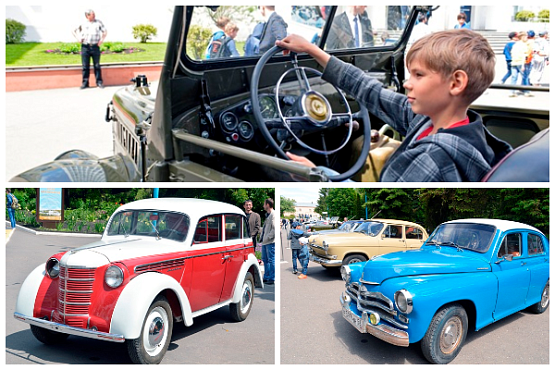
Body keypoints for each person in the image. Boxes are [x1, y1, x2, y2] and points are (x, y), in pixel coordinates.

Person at [276, 29, 512, 182]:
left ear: (456, 82)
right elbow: (371, 91)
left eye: (418, 75)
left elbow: (370, 202)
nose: (407, 84)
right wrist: (312, 50)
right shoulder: (436, 121)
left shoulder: (430, 157)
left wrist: (316, 174)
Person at [72, 9, 107, 89]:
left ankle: (99, 82)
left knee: (97, 65)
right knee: (85, 66)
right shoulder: (82, 23)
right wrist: (78, 38)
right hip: (85, 47)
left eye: (94, 14)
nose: (94, 16)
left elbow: (105, 31)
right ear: (87, 16)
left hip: (95, 46)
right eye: (92, 15)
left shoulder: (98, 22)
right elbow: (73, 30)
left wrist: (101, 40)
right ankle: (85, 83)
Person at [260, 198, 275, 285]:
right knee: (265, 260)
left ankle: (272, 278)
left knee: (271, 260)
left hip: (270, 242)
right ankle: (266, 276)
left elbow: (274, 229)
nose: (263, 205)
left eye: (264, 204)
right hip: (265, 242)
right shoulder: (268, 215)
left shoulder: (274, 214)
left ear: (268, 205)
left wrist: (268, 237)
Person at [509, 31, 530, 97]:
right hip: (521, 62)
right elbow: (524, 55)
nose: (527, 38)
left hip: (514, 62)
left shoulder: (515, 44)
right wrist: (523, 65)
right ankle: (526, 91)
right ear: (523, 37)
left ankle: (512, 92)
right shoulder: (524, 45)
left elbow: (512, 53)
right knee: (525, 77)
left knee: (514, 77)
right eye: (526, 36)